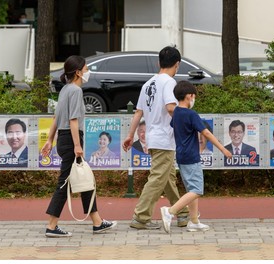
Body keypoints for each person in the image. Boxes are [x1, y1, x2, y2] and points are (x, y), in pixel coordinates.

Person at [41, 55, 116, 237]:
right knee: (65, 182)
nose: (88, 71)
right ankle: (51, 226)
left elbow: (56, 118)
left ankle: (97, 222)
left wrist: (50, 140)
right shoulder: (75, 91)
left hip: (64, 139)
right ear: (78, 72)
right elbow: (73, 120)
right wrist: (77, 145)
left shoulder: (65, 90)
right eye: (86, 68)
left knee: (84, 179)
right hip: (71, 139)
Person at [122, 45, 190, 230]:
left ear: (158, 62)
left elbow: (138, 113)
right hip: (164, 138)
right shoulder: (169, 82)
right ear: (177, 64)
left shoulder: (148, 84)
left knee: (166, 178)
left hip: (153, 138)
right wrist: (188, 116)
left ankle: (182, 213)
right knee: (158, 178)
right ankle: (141, 217)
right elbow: (170, 107)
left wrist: (130, 135)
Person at [160, 81, 232, 233]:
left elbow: (175, 127)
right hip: (191, 155)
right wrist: (222, 149)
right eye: (193, 96)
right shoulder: (191, 114)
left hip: (181, 155)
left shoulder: (177, 112)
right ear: (189, 96)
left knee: (191, 189)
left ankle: (194, 221)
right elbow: (205, 132)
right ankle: (170, 211)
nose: (194, 99)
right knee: (197, 190)